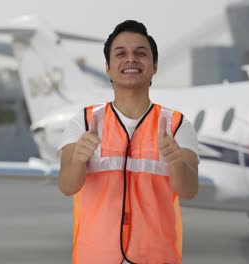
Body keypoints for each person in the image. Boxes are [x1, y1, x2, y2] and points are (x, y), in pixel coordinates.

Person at [57, 19, 199, 264]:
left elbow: (189, 191)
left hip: (155, 258)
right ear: (109, 68)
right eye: (120, 53)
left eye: (140, 53)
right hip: (96, 258)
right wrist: (79, 160)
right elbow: (67, 186)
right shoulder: (83, 121)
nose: (131, 59)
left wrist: (176, 161)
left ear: (154, 66)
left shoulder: (177, 125)